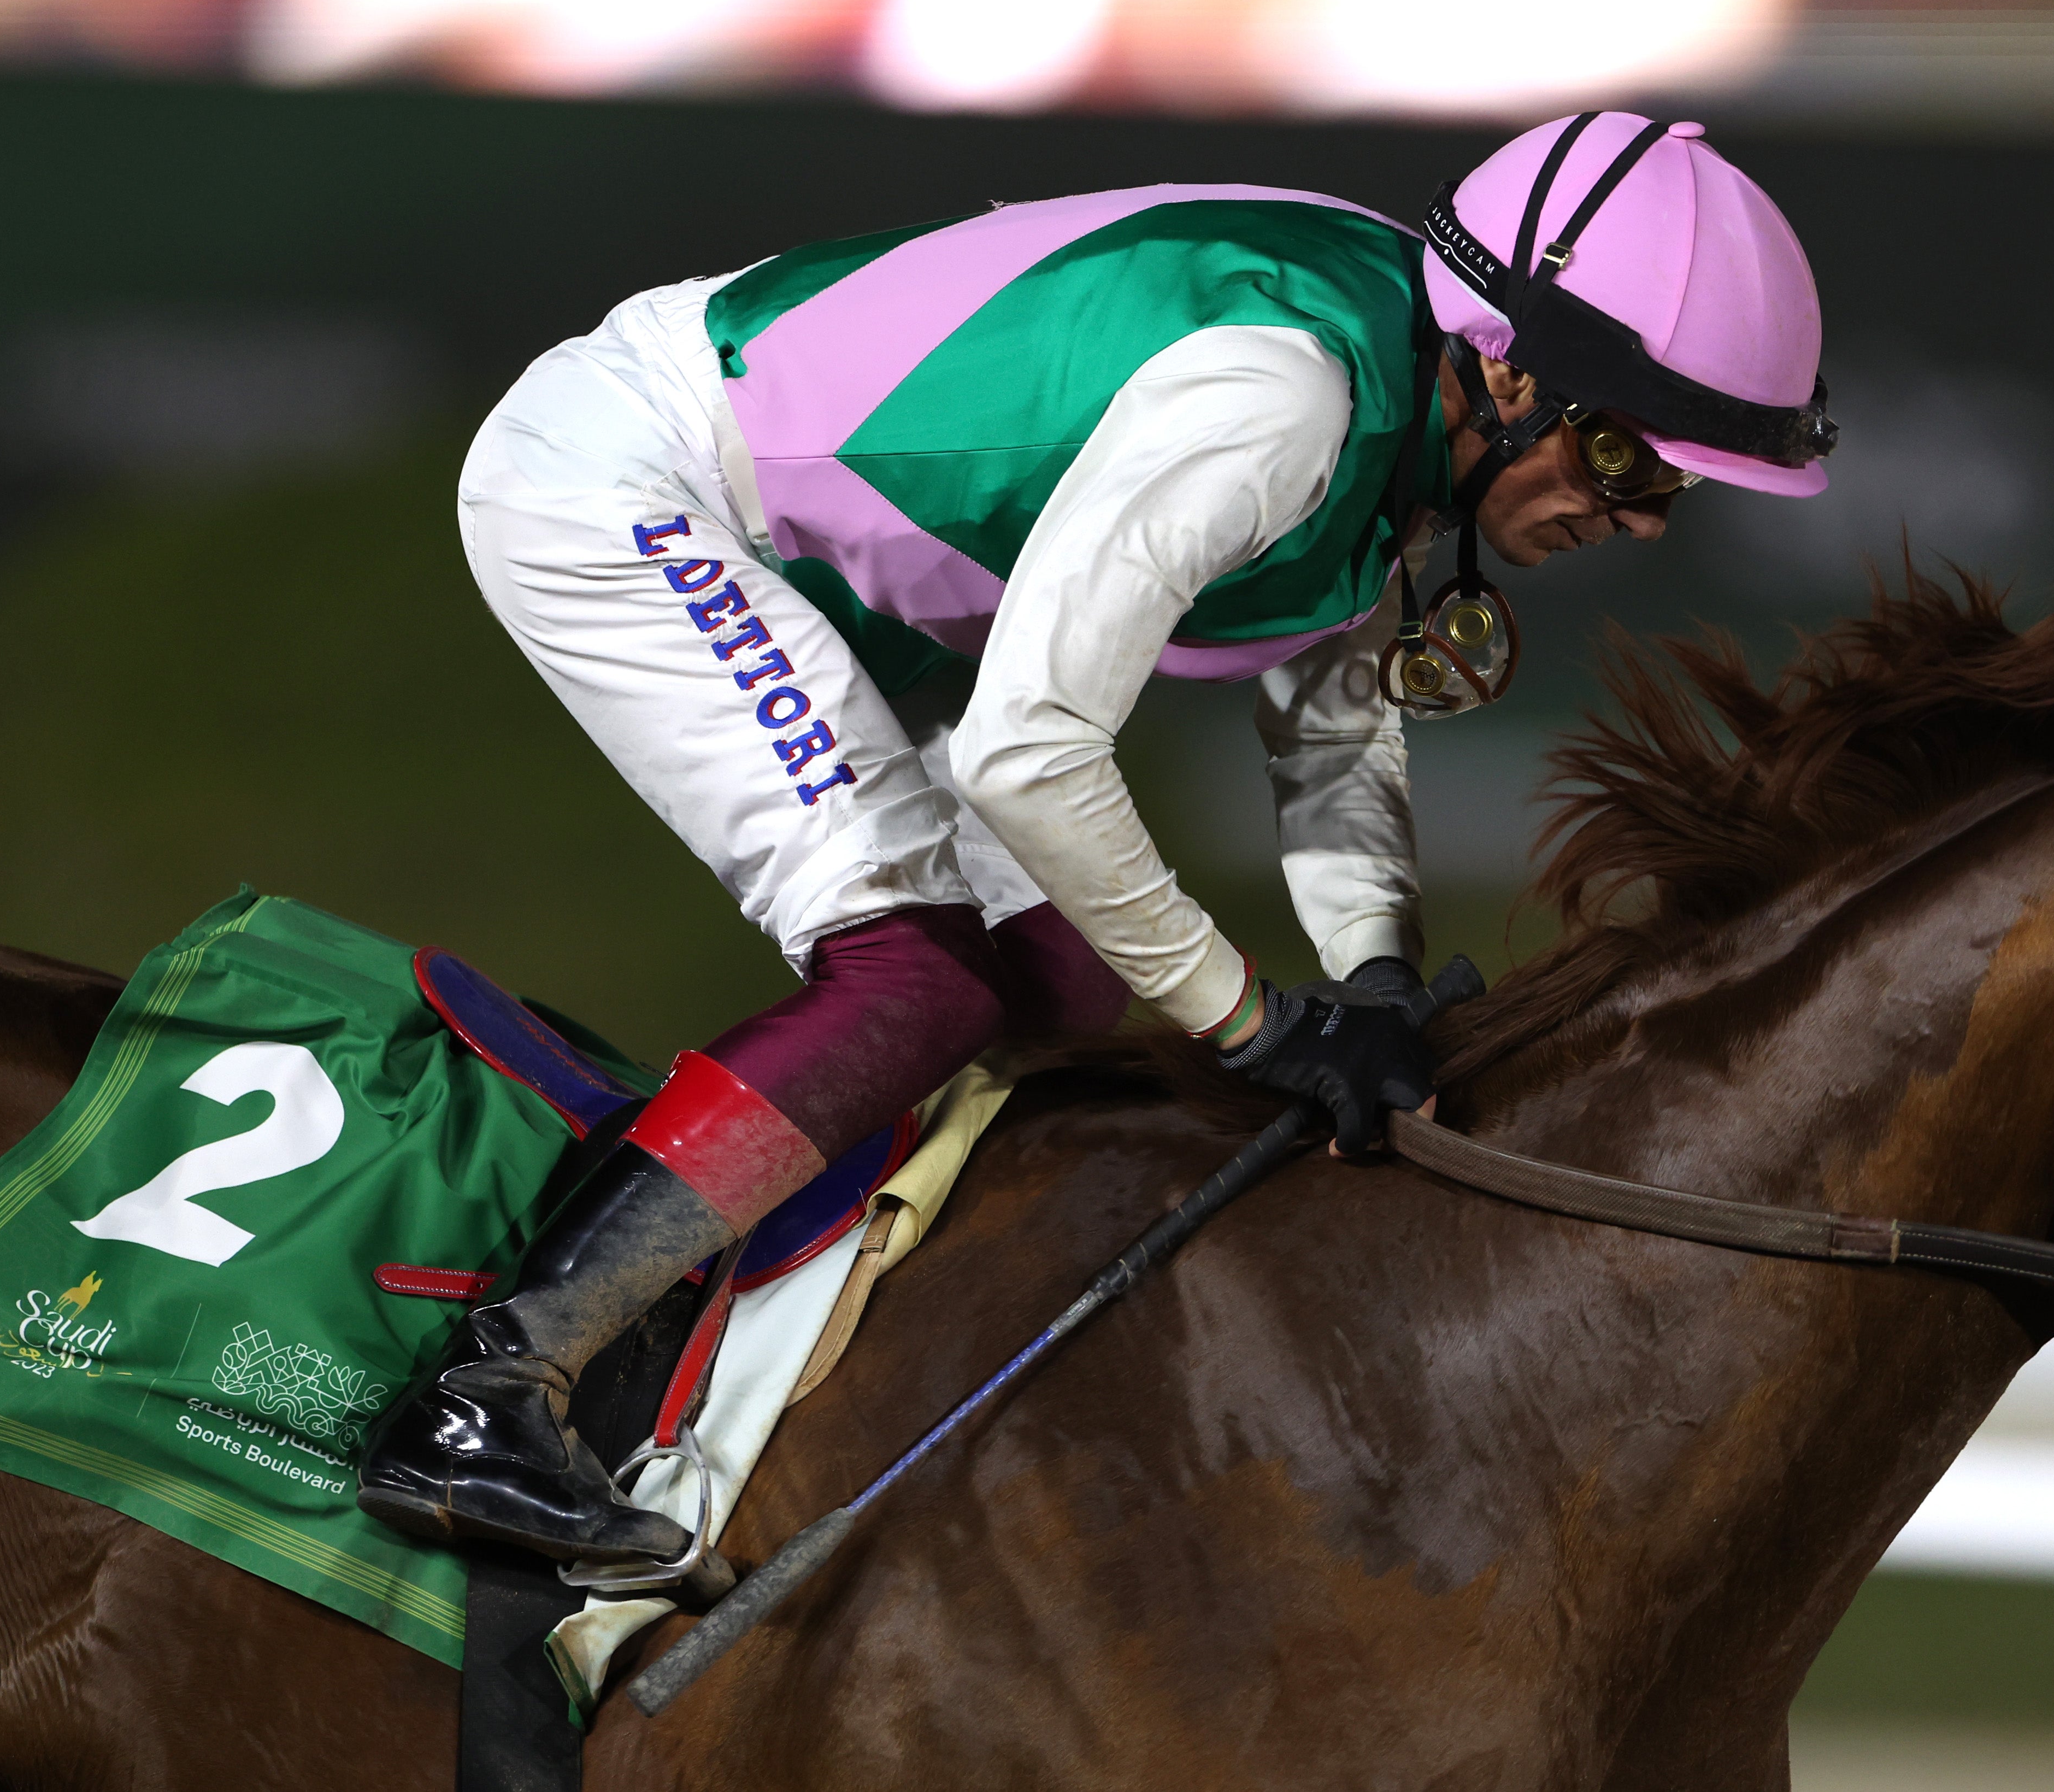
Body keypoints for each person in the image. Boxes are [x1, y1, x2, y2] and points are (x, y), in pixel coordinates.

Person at [355, 111, 1835, 1568]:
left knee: (1060, 992)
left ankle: (802, 1370)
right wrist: (1252, 1018)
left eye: (1679, 490)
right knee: (913, 981)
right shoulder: (1285, 401)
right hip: (631, 483)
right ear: (1511, 370)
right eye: (1630, 465)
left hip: (810, 569)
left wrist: (1372, 975)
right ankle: (491, 1386)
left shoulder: (1402, 389)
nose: (1639, 523)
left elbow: (1329, 727)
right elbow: (1024, 749)